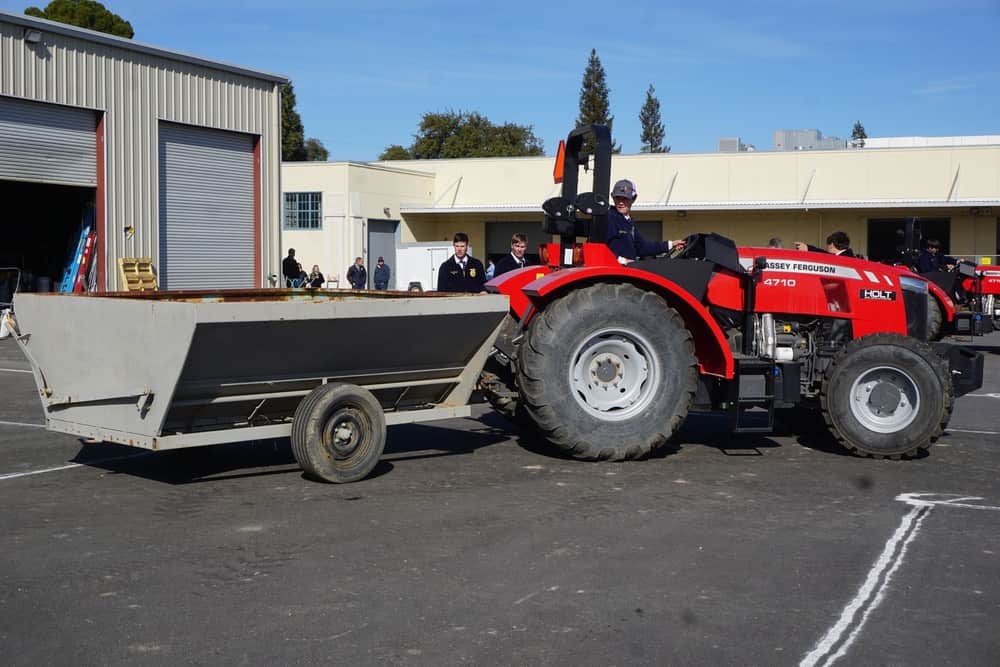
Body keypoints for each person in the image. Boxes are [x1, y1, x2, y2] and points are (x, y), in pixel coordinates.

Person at [606, 179, 685, 264]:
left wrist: (670, 244)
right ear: (613, 197)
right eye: (618, 198)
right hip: (616, 270)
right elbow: (599, 246)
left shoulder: (628, 221)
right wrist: (620, 260)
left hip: (627, 269)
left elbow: (642, 247)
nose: (621, 202)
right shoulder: (609, 218)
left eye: (625, 198)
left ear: (633, 198)